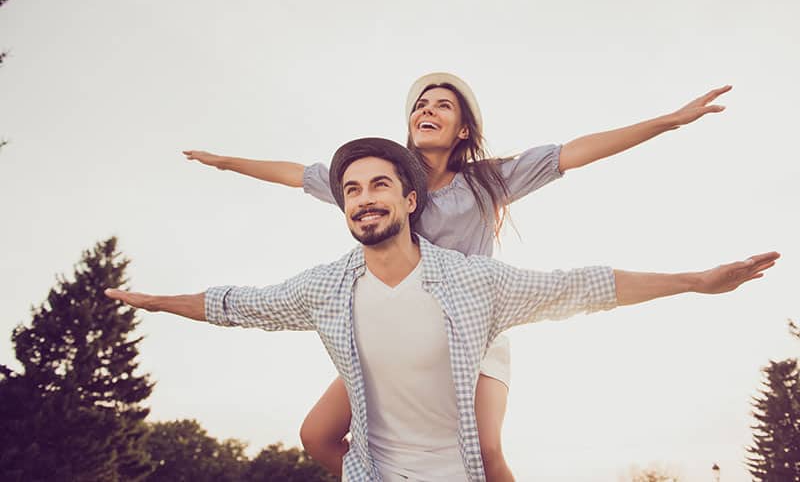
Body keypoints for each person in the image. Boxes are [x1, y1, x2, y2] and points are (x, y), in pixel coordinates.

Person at [109, 137, 777, 482]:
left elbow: (586, 285)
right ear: (342, 209)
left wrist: (697, 281)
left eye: (378, 185)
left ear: (407, 202)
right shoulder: (326, 290)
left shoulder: (473, 284)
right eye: (350, 190)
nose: (363, 198)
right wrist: (154, 302)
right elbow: (238, 305)